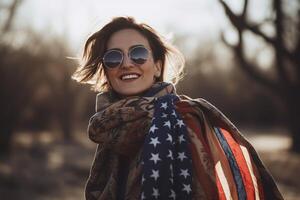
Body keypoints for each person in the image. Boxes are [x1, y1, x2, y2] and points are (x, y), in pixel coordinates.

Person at [72, 16, 283, 200]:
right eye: (114, 57)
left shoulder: (185, 118)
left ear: (157, 66)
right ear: (106, 71)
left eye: (138, 54)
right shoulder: (110, 127)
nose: (126, 63)